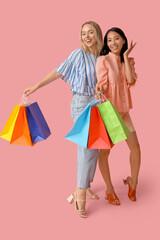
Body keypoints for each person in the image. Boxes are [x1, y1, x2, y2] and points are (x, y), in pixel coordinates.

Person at [24, 21, 103, 218]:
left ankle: (86, 185)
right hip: (81, 104)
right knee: (86, 147)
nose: (86, 36)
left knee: (96, 147)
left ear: (97, 35)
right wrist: (36, 86)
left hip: (99, 104)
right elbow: (59, 71)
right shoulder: (78, 54)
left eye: (90, 32)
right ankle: (79, 193)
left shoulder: (101, 58)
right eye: (83, 33)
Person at [96, 27, 141, 205]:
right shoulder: (103, 60)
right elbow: (101, 83)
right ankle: (109, 189)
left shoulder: (128, 60)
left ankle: (133, 182)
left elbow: (130, 81)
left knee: (136, 148)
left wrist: (124, 57)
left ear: (123, 40)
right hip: (110, 114)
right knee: (105, 153)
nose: (112, 43)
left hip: (124, 113)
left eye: (116, 39)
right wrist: (99, 88)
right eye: (109, 40)